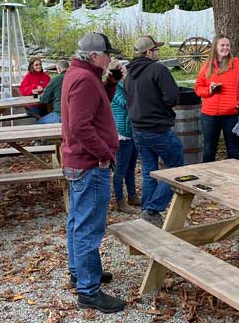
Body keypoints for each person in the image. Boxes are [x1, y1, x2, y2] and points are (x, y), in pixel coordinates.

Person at [61, 32, 125, 313]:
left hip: (80, 161)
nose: (110, 58)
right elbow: (81, 126)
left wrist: (111, 83)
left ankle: (82, 272)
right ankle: (88, 290)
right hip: (89, 164)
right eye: (107, 54)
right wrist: (104, 155)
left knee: (78, 221)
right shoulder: (85, 79)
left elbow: (97, 107)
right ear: (96, 56)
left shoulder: (80, 74)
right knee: (89, 227)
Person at [124, 35, 183, 227]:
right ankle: (152, 209)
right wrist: (164, 107)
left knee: (150, 171)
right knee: (175, 169)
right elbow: (173, 97)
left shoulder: (129, 73)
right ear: (149, 52)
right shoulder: (158, 69)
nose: (158, 52)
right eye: (156, 49)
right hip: (158, 129)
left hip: (138, 129)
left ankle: (147, 212)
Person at [193, 35, 239, 162]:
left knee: (233, 150)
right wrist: (209, 90)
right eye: (222, 45)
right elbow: (198, 88)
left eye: (227, 45)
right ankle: (208, 178)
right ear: (215, 47)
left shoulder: (238, 64)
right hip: (209, 115)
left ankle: (234, 178)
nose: (225, 48)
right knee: (209, 149)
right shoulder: (206, 66)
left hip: (233, 115)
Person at [110, 69, 139, 214]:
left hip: (131, 132)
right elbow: (126, 103)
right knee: (120, 169)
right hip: (121, 134)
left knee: (130, 167)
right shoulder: (115, 89)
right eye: (126, 73)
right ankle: (120, 201)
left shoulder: (126, 87)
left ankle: (132, 196)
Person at [38, 59, 69, 124]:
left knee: (38, 123)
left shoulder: (56, 79)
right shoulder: (75, 77)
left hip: (60, 114)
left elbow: (44, 99)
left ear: (59, 69)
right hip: (74, 114)